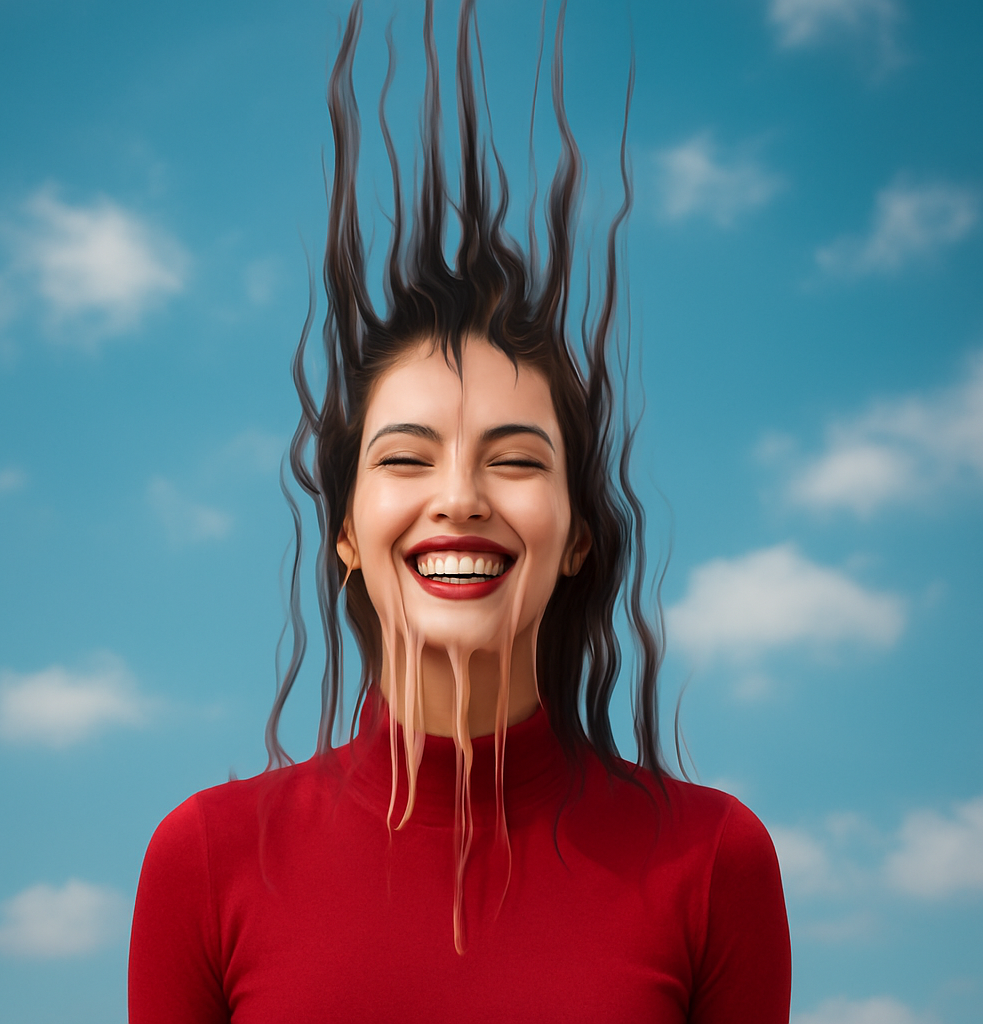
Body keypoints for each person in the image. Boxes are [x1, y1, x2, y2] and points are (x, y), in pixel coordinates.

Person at [128, 2, 791, 1020]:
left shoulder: (712, 861)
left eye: (515, 460)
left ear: (577, 535)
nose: (459, 498)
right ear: (347, 527)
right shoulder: (203, 860)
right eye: (406, 457)